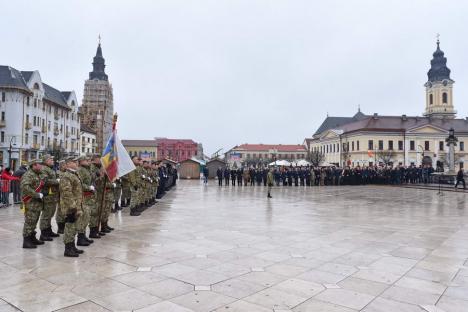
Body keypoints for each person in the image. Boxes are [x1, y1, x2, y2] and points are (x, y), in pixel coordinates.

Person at [60, 157, 84, 257]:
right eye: (74, 162)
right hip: (70, 207)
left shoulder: (74, 174)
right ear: (68, 163)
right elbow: (67, 193)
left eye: (77, 162)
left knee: (74, 227)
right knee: (69, 227)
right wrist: (72, 207)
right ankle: (68, 249)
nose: (77, 163)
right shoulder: (66, 176)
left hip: (76, 206)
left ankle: (72, 246)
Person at [21, 159, 46, 248]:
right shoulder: (28, 175)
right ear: (34, 165)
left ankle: (32, 237)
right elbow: (25, 187)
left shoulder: (37, 174)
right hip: (30, 202)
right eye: (39, 164)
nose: (41, 166)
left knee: (34, 221)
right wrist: (37, 195)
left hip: (36, 203)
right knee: (29, 221)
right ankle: (26, 241)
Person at [39, 155, 60, 241]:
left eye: (52, 159)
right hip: (47, 195)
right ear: (45, 160)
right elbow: (45, 181)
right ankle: (43, 234)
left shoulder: (50, 169)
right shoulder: (44, 169)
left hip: (53, 196)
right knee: (46, 215)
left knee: (50, 214)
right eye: (50, 159)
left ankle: (48, 230)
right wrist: (57, 181)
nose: (52, 160)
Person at [76, 156, 95, 246]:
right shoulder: (80, 170)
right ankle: (80, 238)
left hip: (89, 197)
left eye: (88, 160)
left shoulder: (87, 169)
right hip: (83, 197)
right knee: (83, 218)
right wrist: (88, 187)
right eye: (85, 160)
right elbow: (79, 183)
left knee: (87, 217)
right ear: (80, 162)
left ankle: (83, 236)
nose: (88, 161)